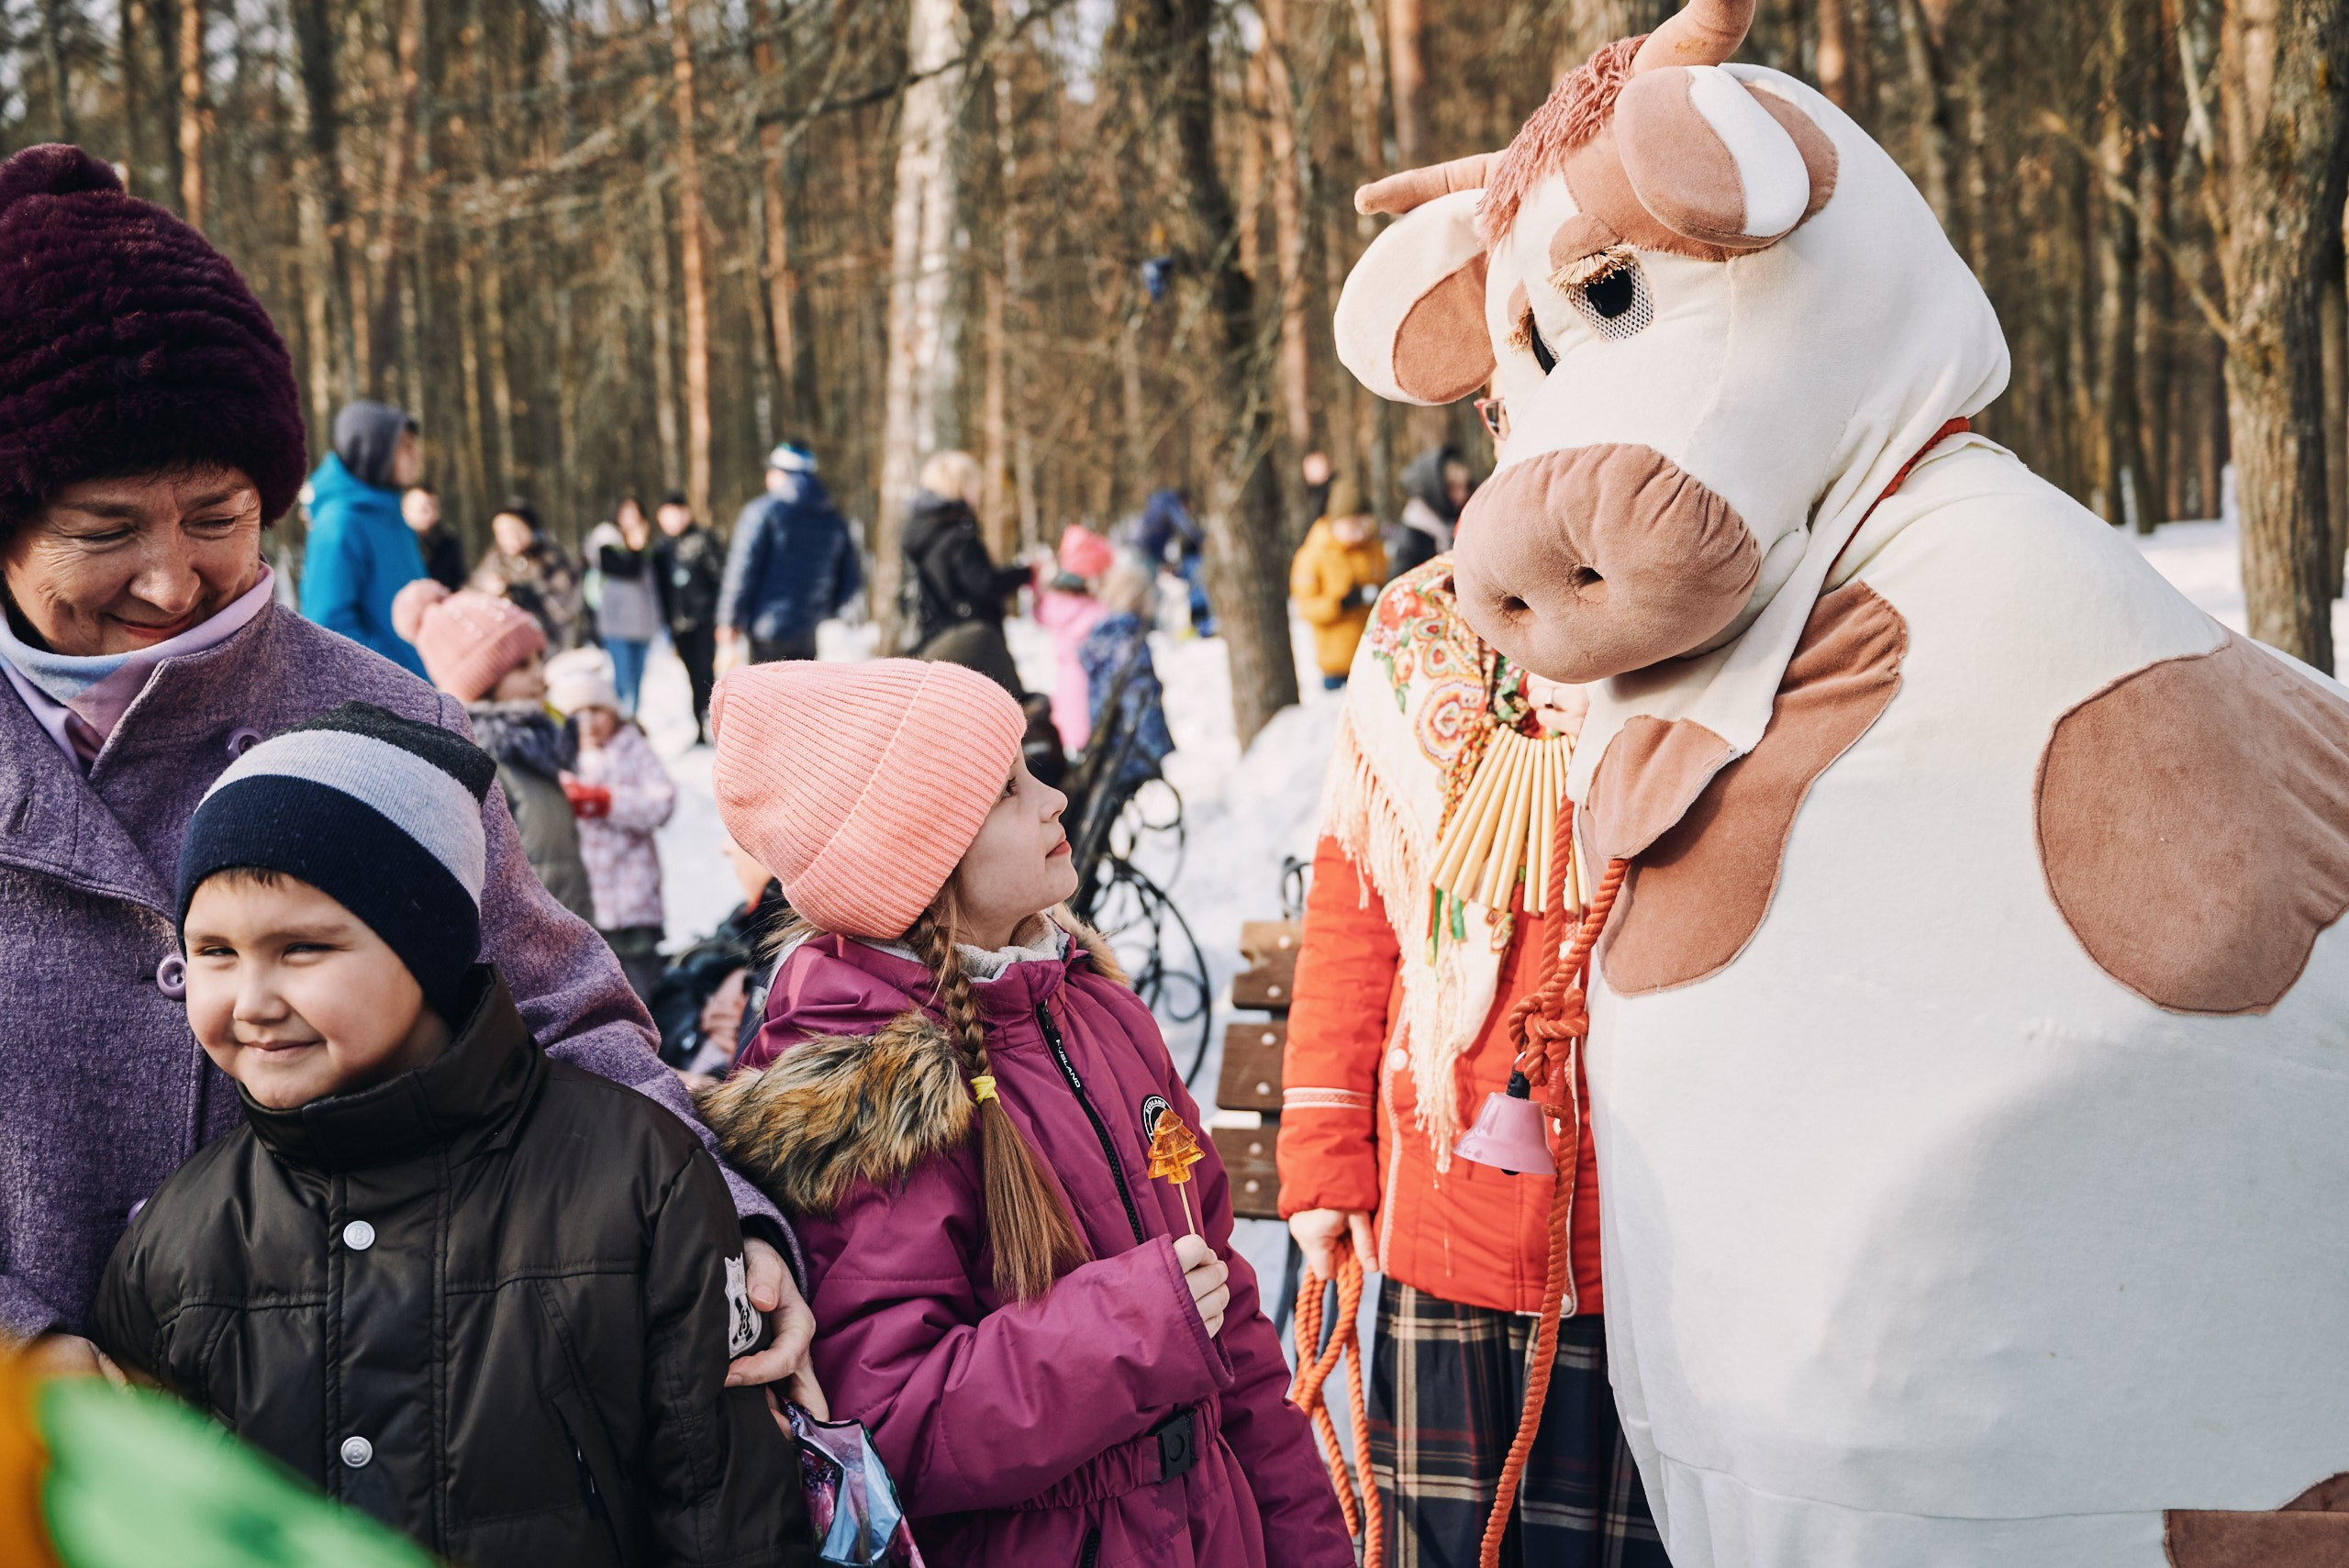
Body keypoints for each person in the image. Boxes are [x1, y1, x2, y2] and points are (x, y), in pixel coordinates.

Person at [0, 143, 810, 1392]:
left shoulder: (371, 709)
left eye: (217, 516)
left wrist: (723, 1220)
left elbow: (562, 1016)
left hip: (349, 1436)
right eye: (105, 533)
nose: (172, 581)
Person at [90, 705, 812, 1567]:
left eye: (303, 948)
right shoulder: (180, 1237)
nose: (250, 999)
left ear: (425, 948)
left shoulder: (636, 1183)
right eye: (213, 950)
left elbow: (725, 1520)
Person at [696, 659, 1353, 1568]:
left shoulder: (1093, 1010)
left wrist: (1308, 1542)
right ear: (916, 853)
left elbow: (1229, 1319)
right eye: (1008, 788)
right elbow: (891, 1420)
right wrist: (1129, 1325)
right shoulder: (872, 1089)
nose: (1053, 798)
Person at [1278, 560, 1665, 1566]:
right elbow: (1355, 905)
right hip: (1438, 1219)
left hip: (1644, 1241)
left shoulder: (1700, 606)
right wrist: (1323, 1155)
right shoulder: (1419, 626)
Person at [395, 580, 594, 923]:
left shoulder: (530, 746)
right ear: (482, 681)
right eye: (521, 666)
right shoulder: (479, 765)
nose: (540, 675)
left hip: (566, 937)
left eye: (539, 659)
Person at [547, 648, 676, 1001]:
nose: (588, 721)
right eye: (576, 713)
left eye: (596, 709)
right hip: (586, 905)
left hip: (634, 900)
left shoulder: (632, 748)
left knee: (641, 987)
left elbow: (661, 802)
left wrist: (607, 802)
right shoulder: (558, 759)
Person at [296, 400, 428, 675]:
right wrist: (397, 677)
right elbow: (328, 627)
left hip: (423, 690)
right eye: (405, 446)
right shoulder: (339, 523)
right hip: (386, 700)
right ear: (374, 452)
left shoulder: (391, 514)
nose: (416, 455)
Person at [718, 443, 861, 666]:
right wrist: (825, 610)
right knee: (799, 698)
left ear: (781, 473)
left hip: (766, 631)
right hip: (809, 630)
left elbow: (741, 571)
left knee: (766, 697)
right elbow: (851, 577)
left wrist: (729, 620)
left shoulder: (762, 512)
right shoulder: (832, 518)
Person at [899, 450, 1029, 694]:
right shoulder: (959, 535)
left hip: (933, 641)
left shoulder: (915, 529)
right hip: (972, 645)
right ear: (960, 486)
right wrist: (1025, 573)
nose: (979, 494)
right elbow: (985, 583)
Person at [1076, 562, 1174, 795]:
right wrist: (1155, 752)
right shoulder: (1131, 644)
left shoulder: (1101, 638)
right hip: (1130, 754)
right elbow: (1140, 704)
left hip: (1107, 750)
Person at [1289, 477, 1389, 691]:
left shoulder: (1373, 549)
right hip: (1336, 665)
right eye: (1352, 525)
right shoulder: (1313, 555)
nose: (1359, 533)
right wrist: (1339, 604)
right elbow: (1305, 608)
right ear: (1335, 522)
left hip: (1372, 656)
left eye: (1363, 524)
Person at [1033, 524, 1114, 753]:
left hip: (1066, 679)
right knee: (1091, 738)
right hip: (1089, 680)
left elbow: (1040, 614)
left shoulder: (1054, 601)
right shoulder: (1096, 611)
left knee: (1074, 735)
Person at [468, 498, 585, 651]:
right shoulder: (494, 561)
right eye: (502, 532)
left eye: (515, 529)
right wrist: (488, 591)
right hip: (512, 649)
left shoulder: (550, 558)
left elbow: (567, 603)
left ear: (530, 528)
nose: (510, 536)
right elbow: (470, 594)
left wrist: (520, 593)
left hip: (553, 644)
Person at [584, 496, 663, 718]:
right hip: (616, 622)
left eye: (636, 514)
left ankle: (632, 720)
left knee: (637, 680)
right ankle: (618, 721)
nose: (632, 519)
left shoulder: (647, 546)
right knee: (621, 681)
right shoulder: (607, 541)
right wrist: (636, 546)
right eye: (626, 513)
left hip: (642, 623)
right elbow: (627, 569)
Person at [654, 492, 725, 741]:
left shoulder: (704, 540)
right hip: (677, 625)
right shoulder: (661, 549)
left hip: (704, 620)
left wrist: (722, 618)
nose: (673, 518)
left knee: (705, 674)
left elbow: (720, 579)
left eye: (677, 511)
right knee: (691, 675)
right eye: (667, 513)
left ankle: (711, 722)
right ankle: (699, 723)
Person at [1133, 487, 1211, 635]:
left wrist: (1164, 561)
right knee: (1150, 590)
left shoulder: (1159, 505)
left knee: (1149, 588)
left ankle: (1149, 626)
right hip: (1146, 553)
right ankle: (1148, 627)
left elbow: (1155, 535)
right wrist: (1201, 538)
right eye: (1188, 508)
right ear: (1184, 502)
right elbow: (1184, 525)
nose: (1188, 511)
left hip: (1145, 551)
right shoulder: (1171, 505)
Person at [1391, 445, 1473, 578]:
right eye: (1452, 488)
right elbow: (1398, 588)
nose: (1462, 495)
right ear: (1435, 489)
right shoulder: (1413, 537)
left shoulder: (1461, 519)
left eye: (1465, 486)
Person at [402, 483, 467, 590]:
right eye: (423, 508)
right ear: (405, 510)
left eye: (433, 506)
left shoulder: (448, 544)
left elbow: (458, 582)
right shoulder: (395, 544)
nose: (429, 512)